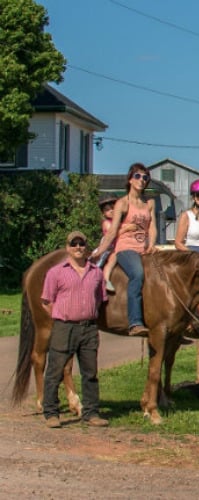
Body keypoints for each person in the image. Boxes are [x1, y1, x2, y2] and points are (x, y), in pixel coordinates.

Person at [41, 231, 109, 428]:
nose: (78, 247)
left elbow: (101, 299)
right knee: (55, 371)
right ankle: (51, 413)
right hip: (65, 326)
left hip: (88, 328)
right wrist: (61, 316)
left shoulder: (96, 272)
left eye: (81, 244)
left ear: (86, 248)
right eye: (74, 244)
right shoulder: (56, 272)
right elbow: (46, 301)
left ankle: (91, 413)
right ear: (67, 247)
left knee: (90, 372)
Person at [90, 163, 157, 336]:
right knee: (137, 274)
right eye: (138, 176)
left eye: (145, 177)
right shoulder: (122, 203)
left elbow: (152, 227)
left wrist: (152, 245)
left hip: (144, 248)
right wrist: (98, 252)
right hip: (126, 248)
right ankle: (135, 322)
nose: (142, 180)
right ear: (130, 179)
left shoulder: (149, 203)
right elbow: (112, 232)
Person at [96, 196, 120, 292]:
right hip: (109, 246)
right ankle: (106, 278)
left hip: (118, 244)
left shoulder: (118, 221)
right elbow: (113, 233)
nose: (111, 211)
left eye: (113, 208)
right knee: (113, 258)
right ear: (103, 213)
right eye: (107, 210)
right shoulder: (107, 223)